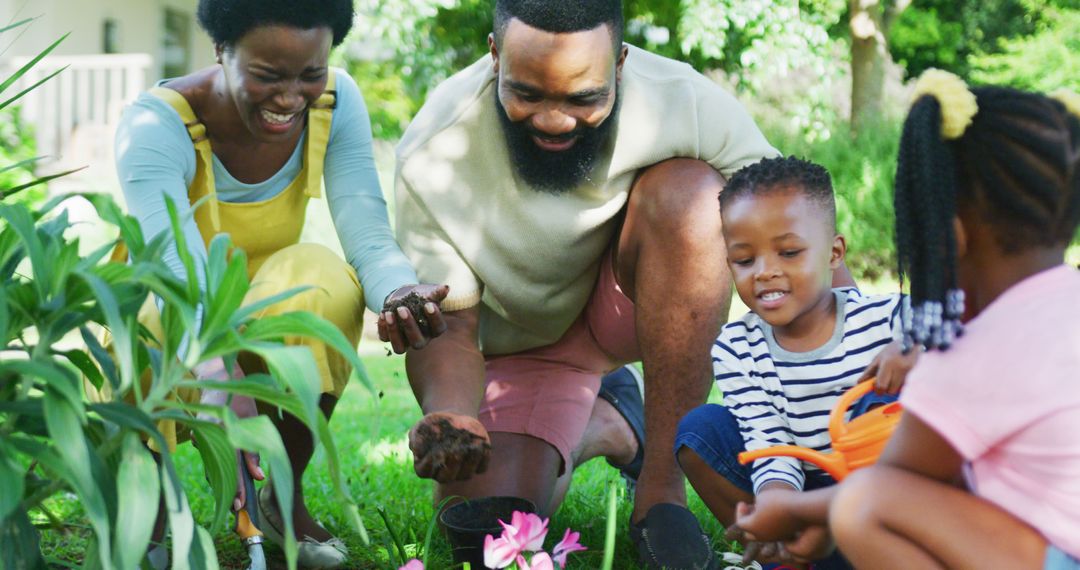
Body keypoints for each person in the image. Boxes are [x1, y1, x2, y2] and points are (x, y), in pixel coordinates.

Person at [391, 0, 792, 566]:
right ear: (494, 55)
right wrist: (455, 412)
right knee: (492, 527)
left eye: (584, 98)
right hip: (521, 345)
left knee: (695, 197)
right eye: (527, 93)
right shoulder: (434, 152)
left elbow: (791, 219)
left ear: (621, 64)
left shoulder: (680, 97)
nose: (554, 120)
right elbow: (450, 322)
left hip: (629, 307)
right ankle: (610, 421)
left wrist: (859, 350)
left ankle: (659, 489)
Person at [112, 0, 446, 566]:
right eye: (267, 75)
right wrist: (226, 380)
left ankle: (280, 499)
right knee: (152, 315)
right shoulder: (155, 123)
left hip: (266, 303)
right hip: (174, 302)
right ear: (221, 51)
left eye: (309, 73)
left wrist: (398, 292)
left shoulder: (336, 104)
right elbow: (179, 268)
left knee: (325, 281)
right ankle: (147, 505)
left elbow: (365, 229)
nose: (291, 97)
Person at [728, 73, 1080, 570]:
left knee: (863, 505)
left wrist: (792, 510)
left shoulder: (975, 351)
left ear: (948, 238)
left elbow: (892, 483)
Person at [673, 156, 915, 568]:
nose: (765, 273)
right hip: (802, 484)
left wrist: (916, 351)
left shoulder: (889, 319)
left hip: (887, 491)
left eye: (788, 252)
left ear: (834, 253)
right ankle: (786, 554)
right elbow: (767, 442)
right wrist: (779, 505)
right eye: (745, 260)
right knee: (699, 433)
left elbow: (967, 336)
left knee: (879, 406)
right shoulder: (736, 347)